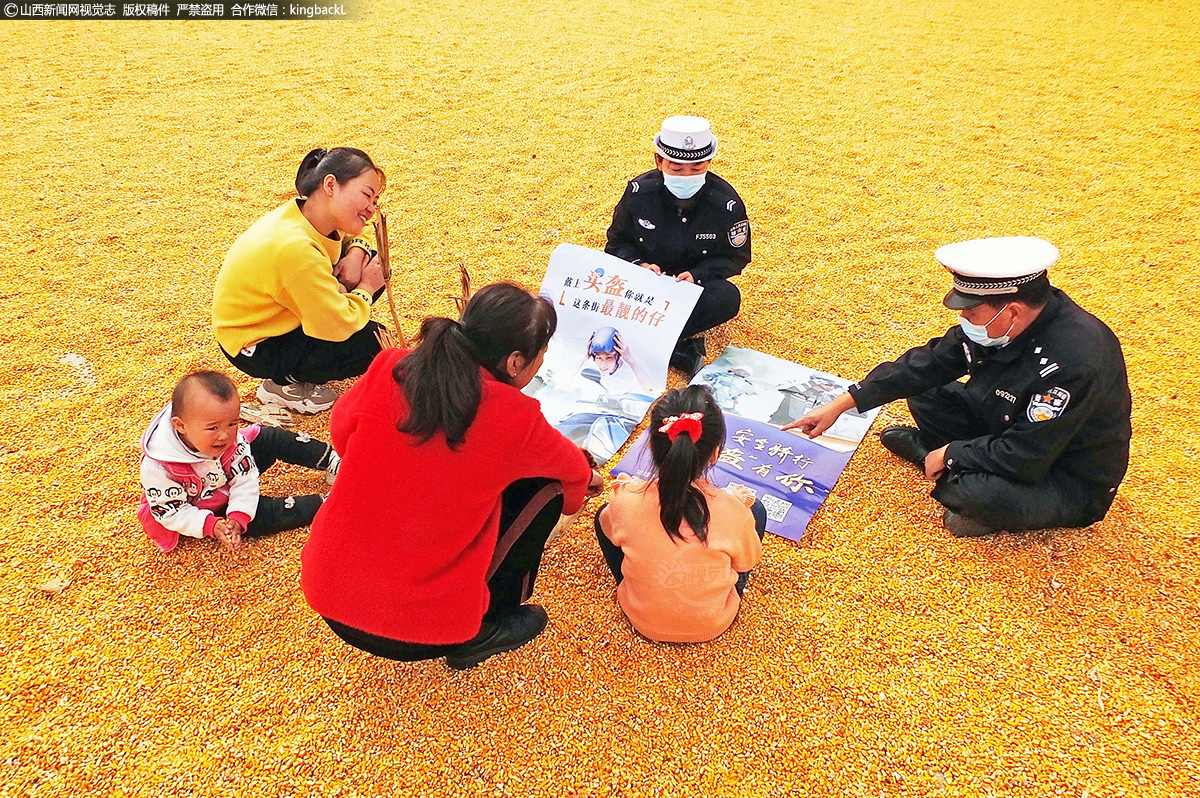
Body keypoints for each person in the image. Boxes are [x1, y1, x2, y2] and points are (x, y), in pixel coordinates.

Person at [301, 283, 604, 670]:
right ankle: (484, 627)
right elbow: (574, 477)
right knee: (546, 488)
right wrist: (582, 486)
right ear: (514, 362)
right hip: (423, 631)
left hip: (328, 593)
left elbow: (342, 433)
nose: (542, 362)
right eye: (541, 355)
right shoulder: (513, 415)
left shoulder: (391, 367)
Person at [784, 237, 1132, 537]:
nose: (963, 320)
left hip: (1061, 471)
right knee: (922, 389)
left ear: (1011, 311)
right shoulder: (1010, 322)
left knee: (977, 496)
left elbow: (1026, 456)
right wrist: (843, 403)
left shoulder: (1073, 364)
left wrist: (951, 453)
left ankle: (941, 464)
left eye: (971, 314)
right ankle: (943, 462)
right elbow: (928, 363)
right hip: (1005, 421)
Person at [213, 147, 389, 414]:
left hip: (275, 312)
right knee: (372, 341)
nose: (371, 209)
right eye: (366, 195)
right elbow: (338, 325)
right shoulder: (296, 250)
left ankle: (307, 344)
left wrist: (356, 253)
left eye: (375, 201)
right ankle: (284, 384)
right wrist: (365, 287)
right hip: (255, 342)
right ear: (330, 184)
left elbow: (359, 234)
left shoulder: (307, 213)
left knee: (372, 260)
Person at [595, 385, 765, 643]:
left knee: (603, 516)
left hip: (640, 617)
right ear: (716, 453)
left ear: (651, 445)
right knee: (757, 511)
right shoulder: (733, 511)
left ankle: (634, 585)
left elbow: (608, 528)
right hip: (714, 621)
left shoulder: (626, 501)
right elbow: (746, 563)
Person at [605, 116, 751, 377]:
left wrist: (697, 276)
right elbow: (616, 243)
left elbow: (735, 256)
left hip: (690, 288)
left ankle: (641, 339)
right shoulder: (638, 193)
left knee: (727, 298)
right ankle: (677, 350)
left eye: (697, 168)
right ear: (658, 161)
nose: (687, 175)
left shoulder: (725, 203)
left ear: (709, 163)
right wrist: (639, 266)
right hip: (645, 281)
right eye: (676, 167)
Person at [138, 371, 338, 553]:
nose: (225, 435)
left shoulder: (231, 440)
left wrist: (240, 508)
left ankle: (331, 459)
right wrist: (215, 524)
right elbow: (170, 510)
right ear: (181, 426)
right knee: (258, 518)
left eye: (233, 423)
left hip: (224, 472)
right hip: (203, 504)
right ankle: (325, 504)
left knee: (269, 438)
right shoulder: (159, 466)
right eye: (213, 428)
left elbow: (244, 475)